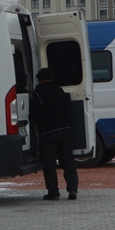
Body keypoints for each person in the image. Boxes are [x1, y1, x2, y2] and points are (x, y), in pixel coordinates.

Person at [31, 67, 78, 200]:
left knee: (49, 163)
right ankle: (73, 189)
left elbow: (34, 113)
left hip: (48, 132)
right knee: (68, 161)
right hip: (65, 130)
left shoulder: (38, 93)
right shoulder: (59, 90)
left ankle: (53, 192)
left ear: (40, 79)